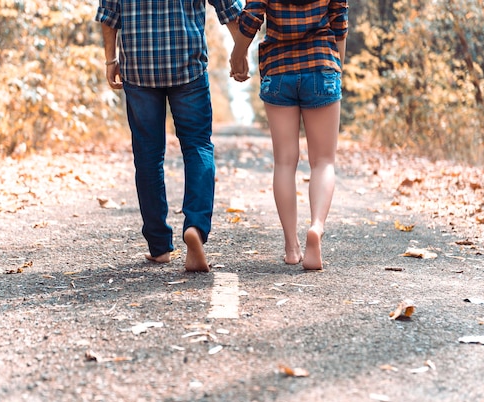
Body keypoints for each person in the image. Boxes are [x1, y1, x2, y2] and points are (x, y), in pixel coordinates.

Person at [95, 0, 244, 272]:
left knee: (148, 156)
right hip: (187, 66)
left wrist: (111, 59)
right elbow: (229, 7)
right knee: (198, 146)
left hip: (139, 69)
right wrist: (240, 50)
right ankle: (196, 229)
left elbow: (108, 15)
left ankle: (159, 246)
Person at [229, 0, 348, 270]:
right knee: (324, 162)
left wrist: (238, 54)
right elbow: (339, 19)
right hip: (321, 63)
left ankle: (291, 247)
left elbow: (252, 15)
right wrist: (337, 63)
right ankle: (316, 227)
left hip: (278, 67)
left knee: (284, 161)